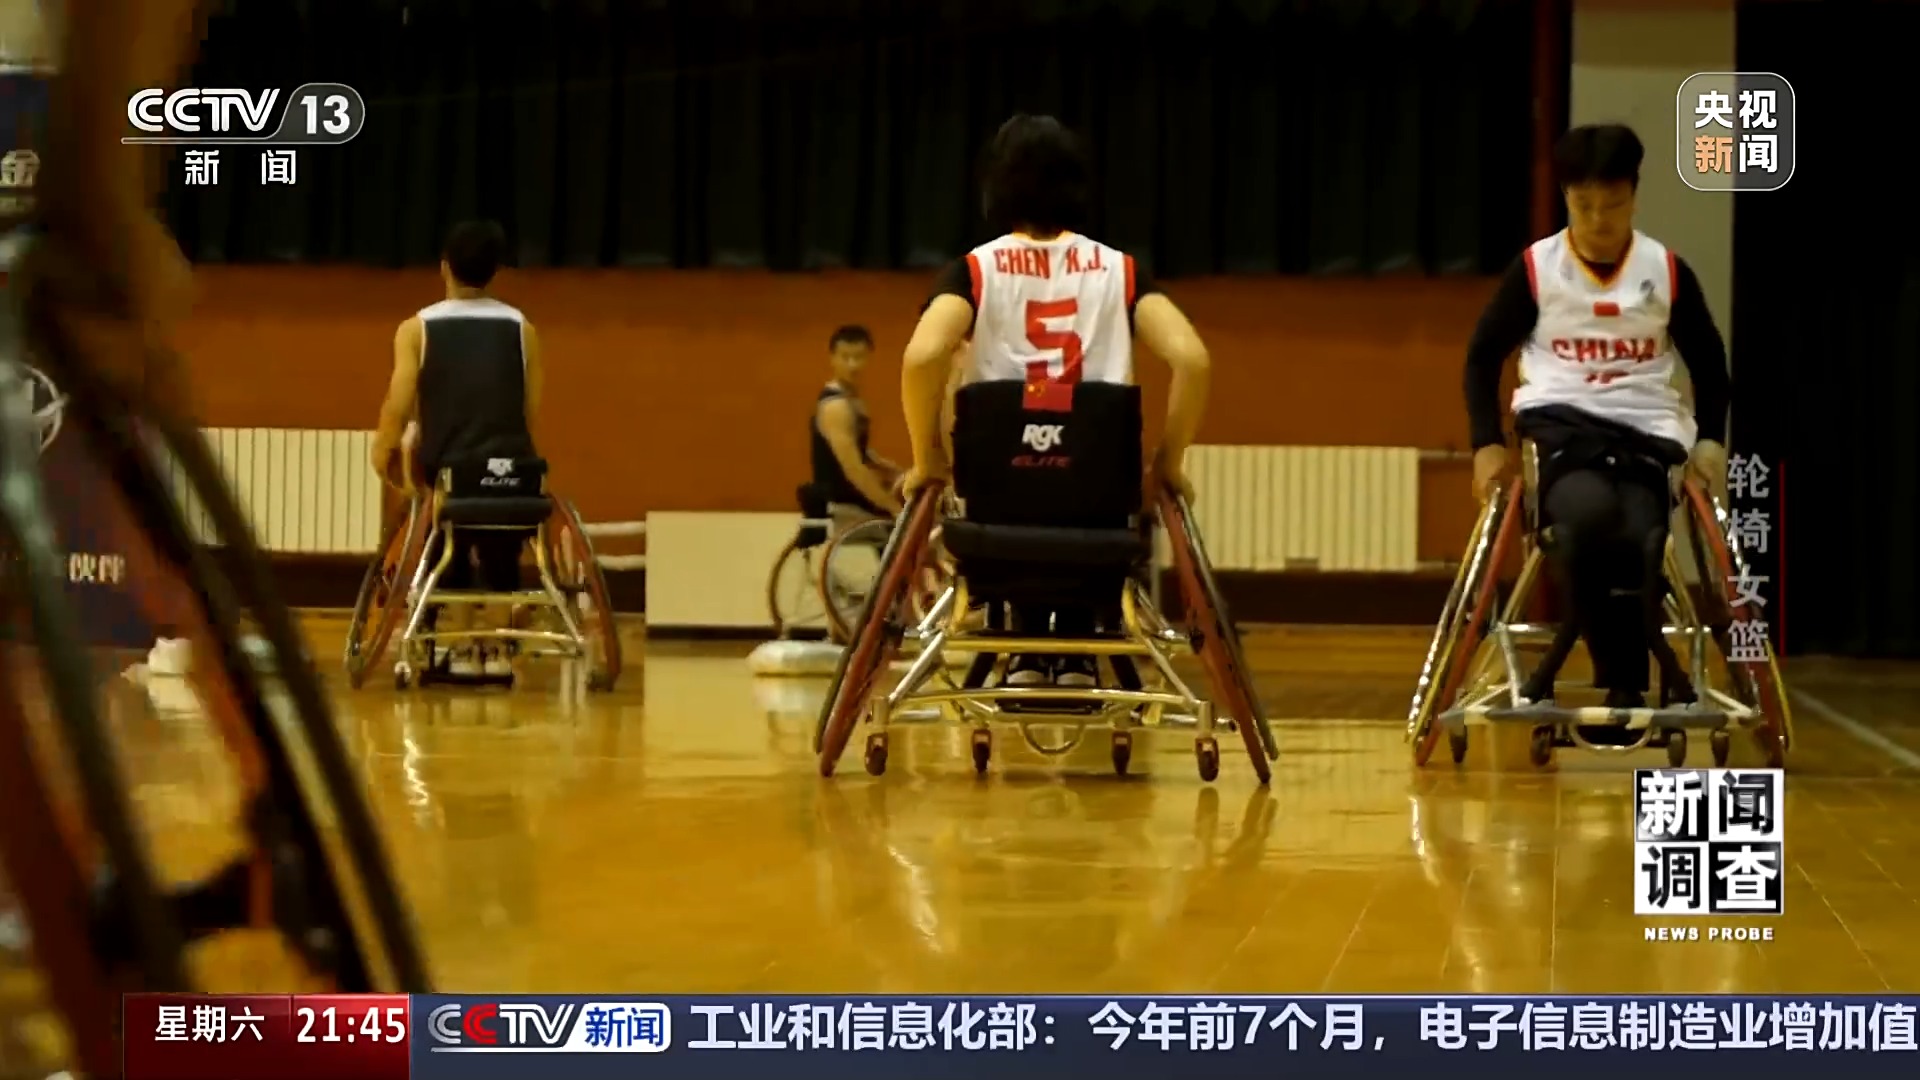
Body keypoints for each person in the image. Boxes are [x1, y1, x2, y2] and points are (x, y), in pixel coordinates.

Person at [899, 113, 1211, 689]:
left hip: (999, 498)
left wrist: (927, 460)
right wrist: (1168, 461)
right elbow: (1192, 359)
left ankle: (1023, 647)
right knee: (1078, 496)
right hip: (1097, 499)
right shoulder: (1120, 270)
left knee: (1015, 493)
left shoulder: (976, 269)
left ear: (996, 186)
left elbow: (922, 357)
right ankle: (1075, 649)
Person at [1463, 123, 1731, 716]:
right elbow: (1482, 357)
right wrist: (1485, 442)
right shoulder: (1538, 269)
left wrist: (1711, 442)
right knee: (1587, 527)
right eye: (1584, 205)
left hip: (1644, 436)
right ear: (1567, 198)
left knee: (1642, 539)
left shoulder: (1665, 270)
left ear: (1633, 196)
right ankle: (1618, 677)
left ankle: (1624, 686)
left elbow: (1712, 367)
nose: (1598, 219)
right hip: (1563, 430)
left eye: (1611, 205)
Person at [370, 220, 545, 678]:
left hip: (451, 474)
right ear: (496, 271)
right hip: (513, 472)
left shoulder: (417, 328)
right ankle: (496, 648)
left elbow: (398, 403)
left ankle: (451, 637)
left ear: (444, 267)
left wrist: (382, 450)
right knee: (500, 538)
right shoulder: (522, 329)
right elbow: (528, 412)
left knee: (443, 523)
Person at [811, 324, 903, 529]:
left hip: (853, 496)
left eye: (858, 357)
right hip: (843, 502)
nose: (852, 365)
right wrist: (893, 506)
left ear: (868, 357)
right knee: (912, 522)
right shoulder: (836, 406)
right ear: (832, 358)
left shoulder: (853, 401)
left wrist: (888, 468)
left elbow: (859, 451)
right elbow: (854, 470)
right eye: (845, 357)